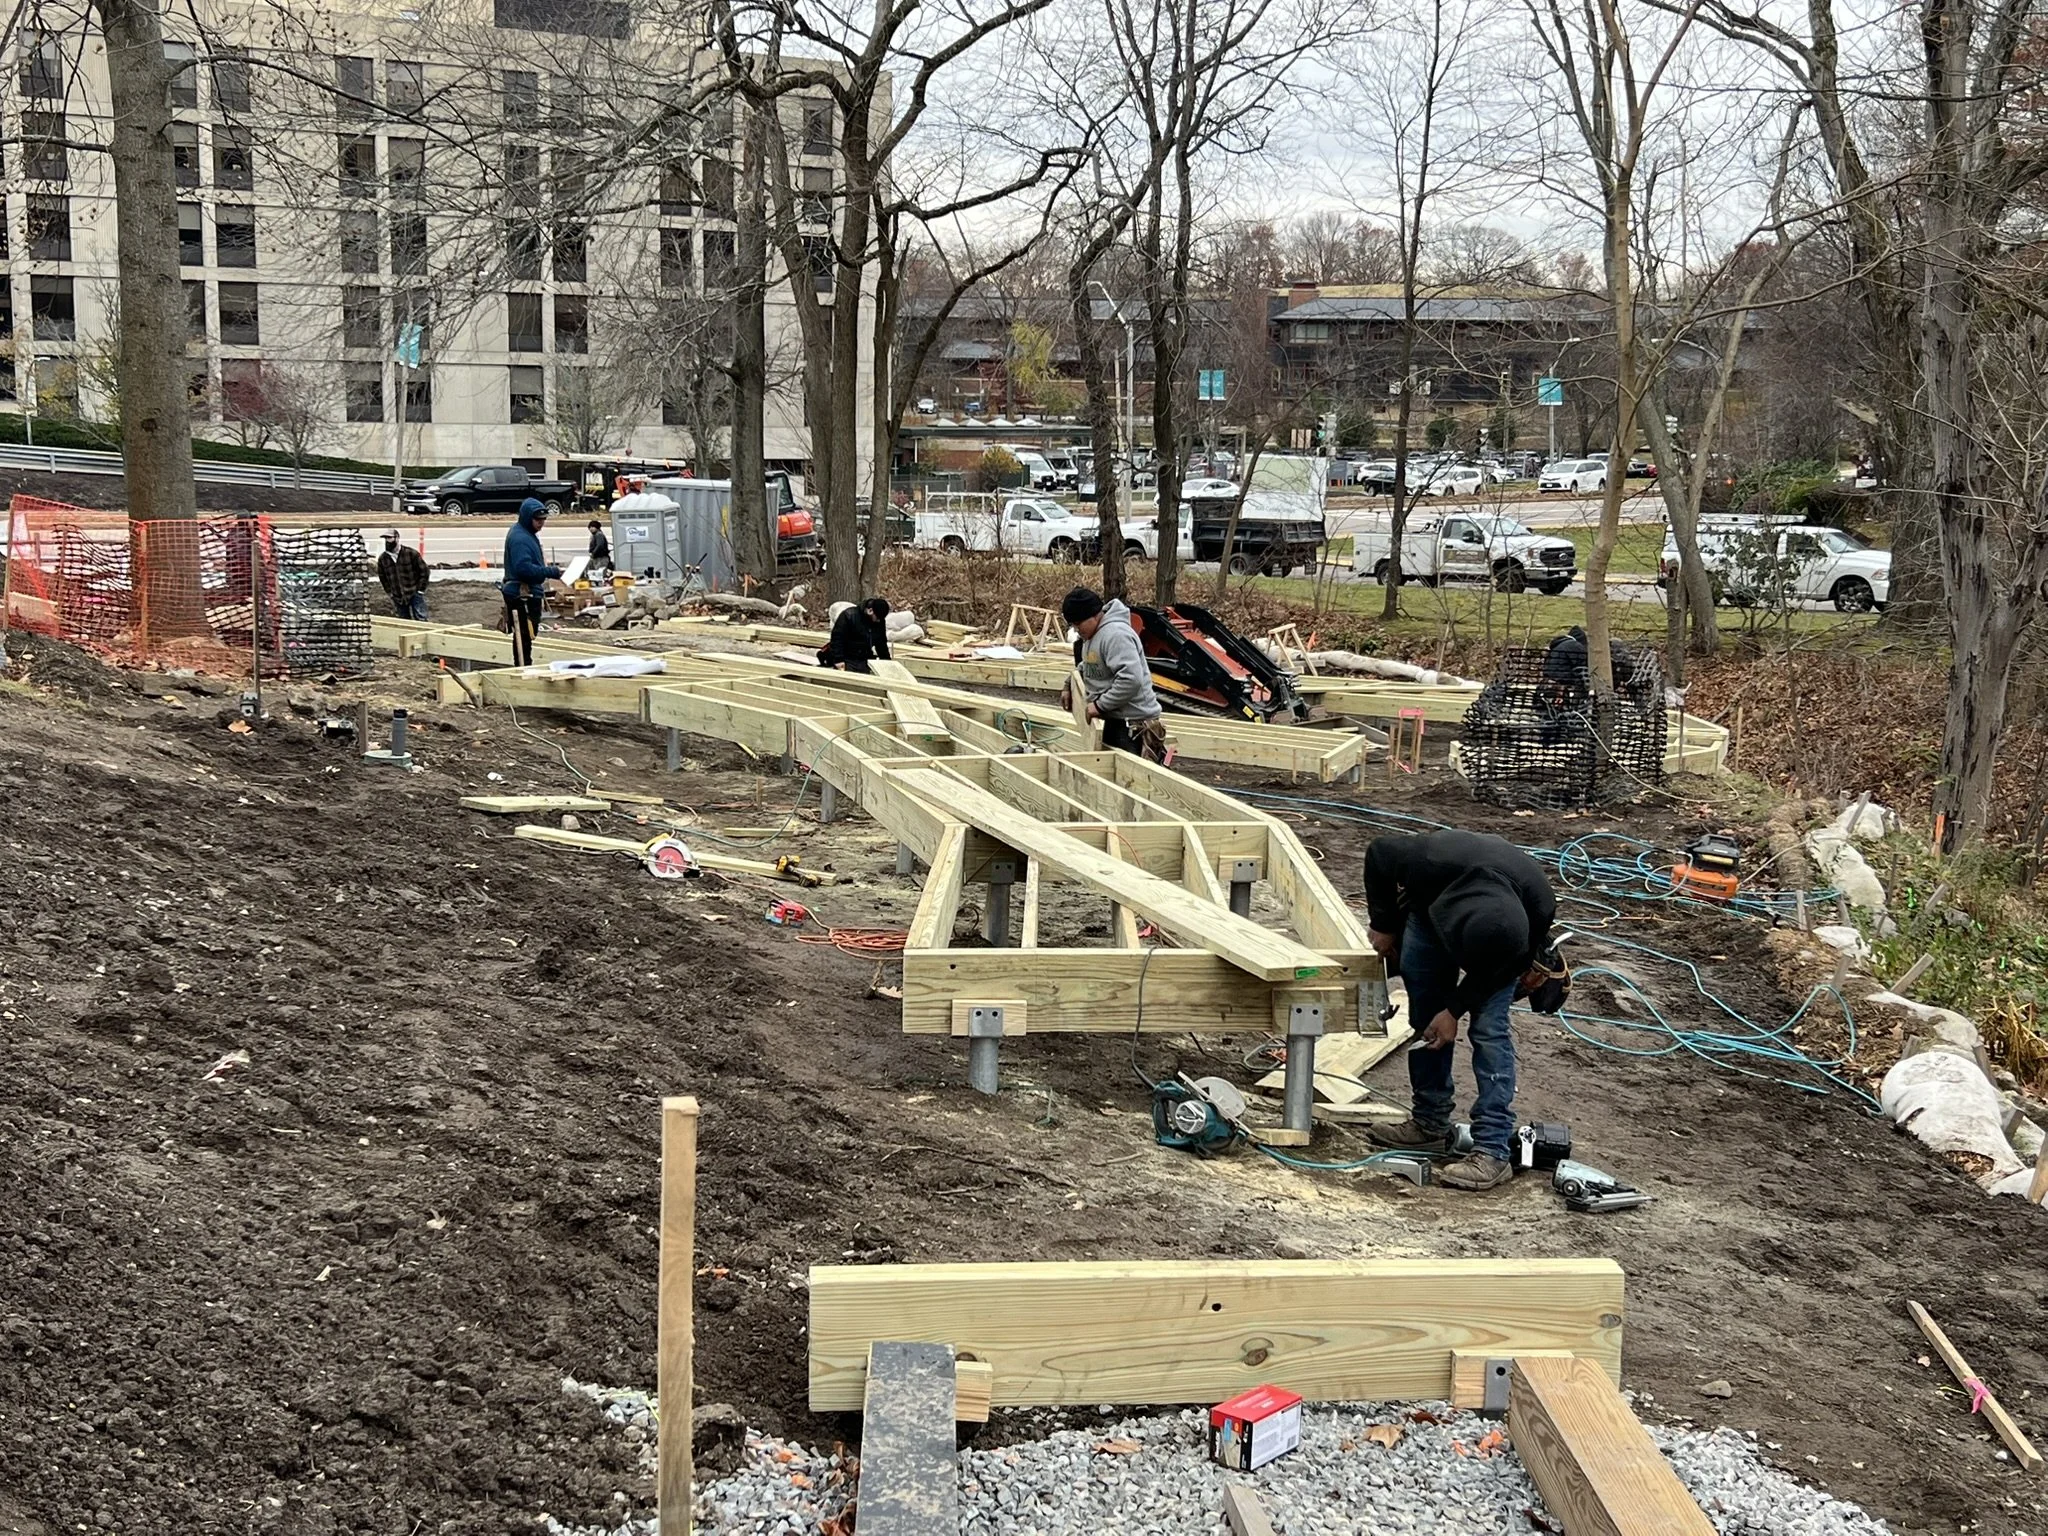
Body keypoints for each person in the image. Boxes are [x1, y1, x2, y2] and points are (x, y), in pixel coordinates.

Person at [1362, 829, 1570, 1191]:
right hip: (1431, 910)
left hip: (1505, 944)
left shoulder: (1537, 908)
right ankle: (1429, 1123)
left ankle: (1492, 1149)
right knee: (1426, 1017)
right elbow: (1378, 852)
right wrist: (1384, 925)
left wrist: (1455, 1009)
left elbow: (1498, 970)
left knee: (1489, 1032)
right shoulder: (1425, 863)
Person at [1059, 586, 1166, 761]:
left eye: (1078, 624)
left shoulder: (1116, 635)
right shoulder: (1091, 636)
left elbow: (1130, 680)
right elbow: (1089, 666)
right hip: (1115, 720)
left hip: (1133, 725)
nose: (1076, 629)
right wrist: (1068, 684)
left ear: (1094, 615)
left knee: (1134, 784)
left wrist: (1100, 705)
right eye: (1073, 625)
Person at [501, 497, 562, 667]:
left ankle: (523, 664)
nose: (541, 524)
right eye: (538, 520)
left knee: (526, 635)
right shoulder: (521, 538)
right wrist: (551, 572)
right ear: (528, 517)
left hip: (524, 592)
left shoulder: (525, 533)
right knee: (523, 636)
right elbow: (524, 569)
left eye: (543, 520)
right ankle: (523, 666)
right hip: (522, 595)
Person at [817, 597, 892, 673]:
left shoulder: (879, 622)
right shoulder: (848, 616)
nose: (879, 620)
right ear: (870, 611)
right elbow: (837, 640)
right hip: (847, 657)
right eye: (877, 618)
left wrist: (887, 663)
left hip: (864, 657)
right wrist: (838, 660)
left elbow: (881, 644)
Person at [376, 530, 430, 620]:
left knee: (421, 618)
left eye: (389, 538)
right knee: (404, 621)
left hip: (414, 592)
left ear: (397, 538)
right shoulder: (383, 558)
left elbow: (424, 571)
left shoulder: (410, 553)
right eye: (385, 539)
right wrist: (390, 592)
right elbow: (383, 578)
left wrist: (420, 590)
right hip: (397, 596)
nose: (387, 541)